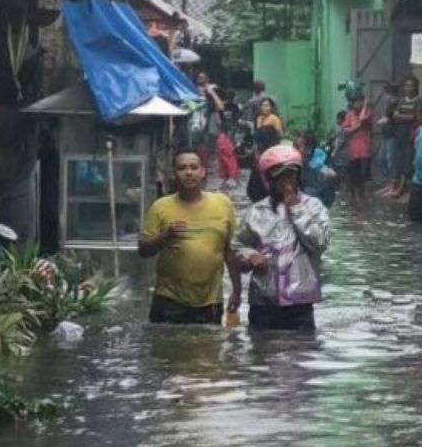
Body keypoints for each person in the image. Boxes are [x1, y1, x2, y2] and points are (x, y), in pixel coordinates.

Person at [138, 149, 241, 324]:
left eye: (194, 167)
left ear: (203, 172)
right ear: (173, 174)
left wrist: (237, 290)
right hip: (169, 300)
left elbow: (230, 251)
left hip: (211, 302)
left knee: (208, 349)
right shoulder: (160, 207)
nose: (188, 172)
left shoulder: (223, 204)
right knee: (166, 349)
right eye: (182, 168)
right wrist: (164, 236)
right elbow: (143, 251)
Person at [234, 145, 330, 331]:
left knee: (301, 352)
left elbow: (319, 244)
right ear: (269, 180)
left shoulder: (314, 207)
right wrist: (249, 257)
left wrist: (297, 209)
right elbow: (237, 245)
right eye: (281, 177)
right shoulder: (255, 212)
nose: (287, 182)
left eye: (291, 176)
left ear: (298, 177)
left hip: (300, 302)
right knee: (262, 352)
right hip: (263, 301)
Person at [380, 76, 420, 198]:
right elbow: (395, 115)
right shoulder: (402, 101)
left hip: (411, 135)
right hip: (399, 135)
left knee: (408, 163)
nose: (409, 88)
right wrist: (403, 116)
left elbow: (414, 117)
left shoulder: (418, 101)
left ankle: (403, 189)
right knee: (399, 162)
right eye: (407, 85)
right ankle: (398, 187)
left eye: (411, 85)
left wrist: (402, 117)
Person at [247, 97, 283, 203]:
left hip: (270, 146)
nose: (265, 108)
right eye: (263, 105)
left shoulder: (274, 119)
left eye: (267, 105)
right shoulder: (259, 119)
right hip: (260, 147)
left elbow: (279, 134)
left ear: (271, 107)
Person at [340, 92, 372, 207]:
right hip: (353, 149)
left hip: (365, 148)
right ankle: (353, 195)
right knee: (354, 172)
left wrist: (365, 106)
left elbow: (363, 119)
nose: (358, 104)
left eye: (360, 102)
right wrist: (356, 127)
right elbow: (345, 129)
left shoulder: (367, 112)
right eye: (356, 102)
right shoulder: (349, 115)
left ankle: (363, 194)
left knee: (364, 173)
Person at [296, 131, 337, 208]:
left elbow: (331, 174)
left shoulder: (317, 161)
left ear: (309, 148)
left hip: (317, 196)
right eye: (295, 146)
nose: (296, 149)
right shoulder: (302, 159)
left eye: (299, 146)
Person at [215, 125, 240, 191]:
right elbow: (223, 148)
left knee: (229, 172)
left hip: (228, 156)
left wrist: (232, 149)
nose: (230, 132)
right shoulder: (222, 137)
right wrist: (231, 150)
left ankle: (226, 184)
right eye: (230, 130)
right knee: (228, 171)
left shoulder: (225, 137)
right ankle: (225, 185)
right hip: (226, 157)